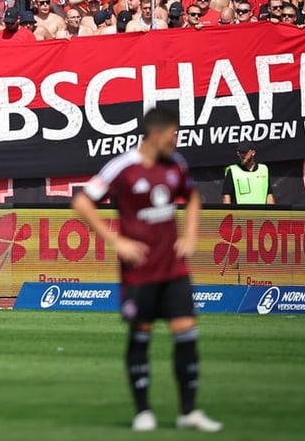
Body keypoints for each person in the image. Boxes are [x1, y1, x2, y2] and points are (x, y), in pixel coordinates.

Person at [72, 107, 222, 434]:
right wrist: (115, 240)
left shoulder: (175, 164)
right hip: (139, 270)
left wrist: (191, 234)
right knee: (141, 335)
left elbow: (193, 197)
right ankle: (143, 412)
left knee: (187, 334)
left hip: (173, 267)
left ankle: (188, 411)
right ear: (157, 134)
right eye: (174, 133)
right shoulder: (123, 167)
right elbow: (83, 202)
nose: (177, 139)